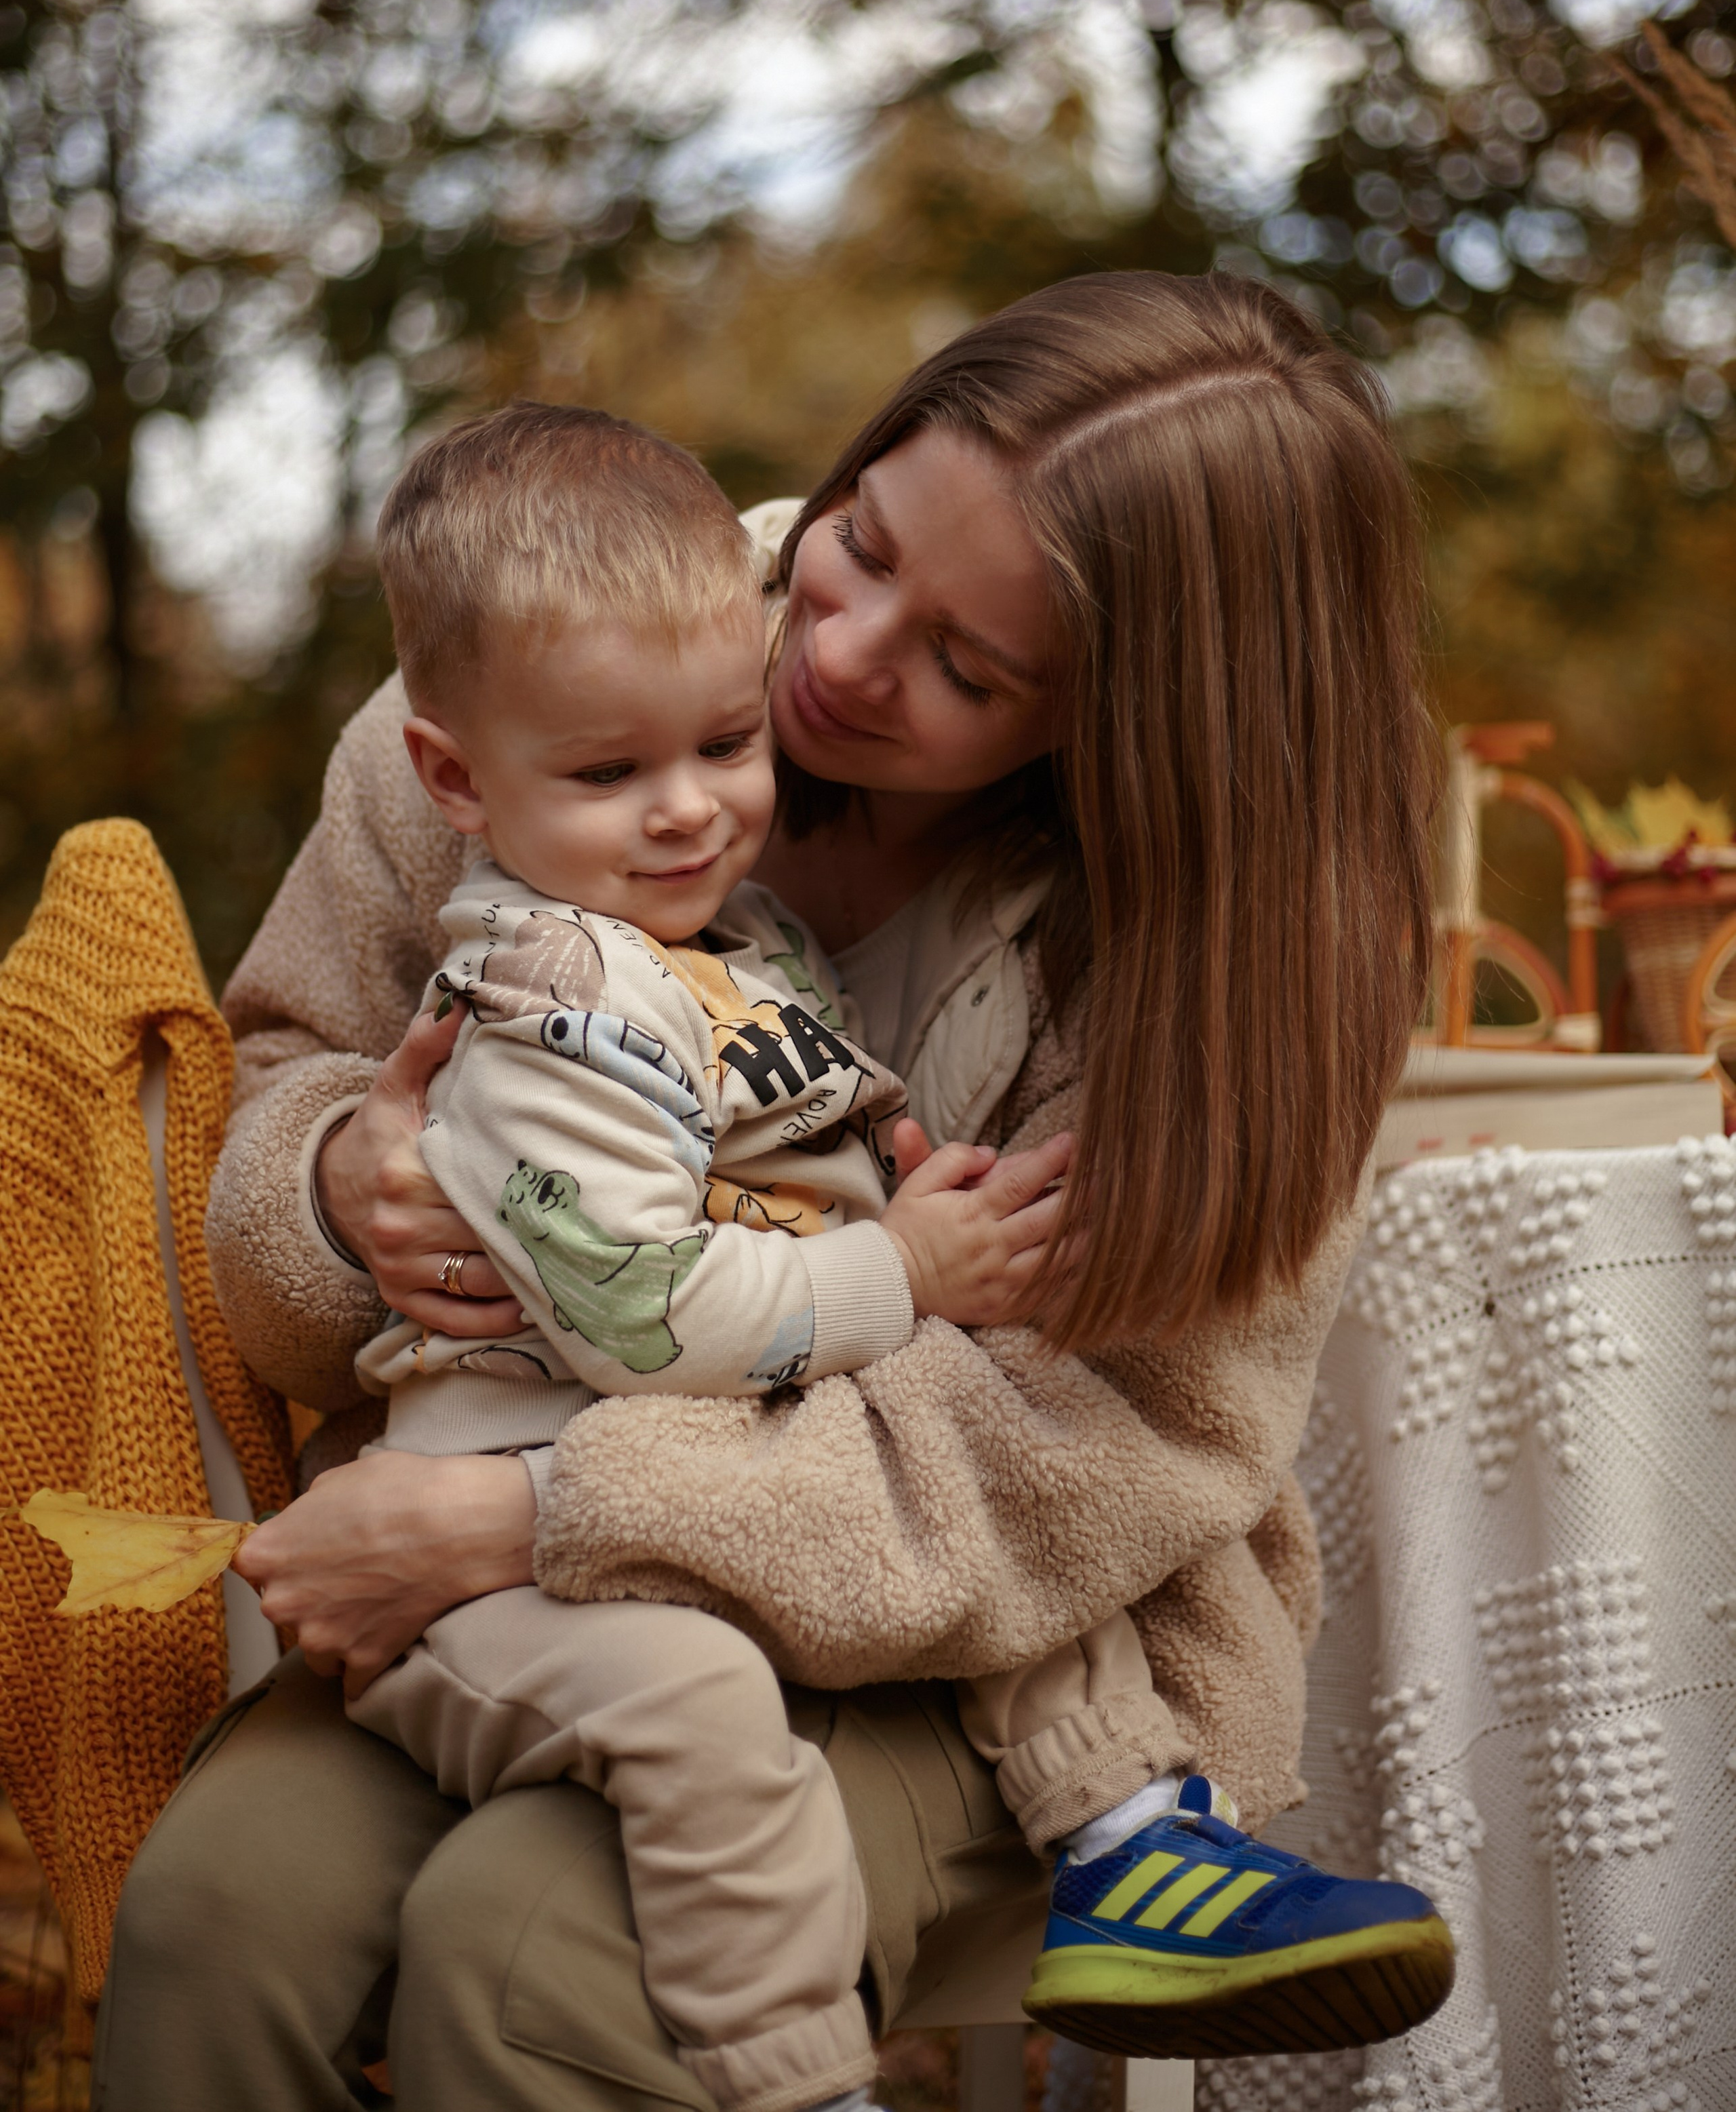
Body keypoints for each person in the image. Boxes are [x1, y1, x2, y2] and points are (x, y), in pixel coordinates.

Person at [94, 273, 1443, 2107]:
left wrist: (542, 1513)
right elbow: (288, 1080)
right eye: (861, 539)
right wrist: (342, 1185)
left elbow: (1095, 1445)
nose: (839, 652)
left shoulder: (1242, 955)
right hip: (485, 1569)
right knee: (213, 1922)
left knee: (537, 1957)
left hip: (990, 1643)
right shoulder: (555, 656)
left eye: (968, 669)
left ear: (1134, 728)